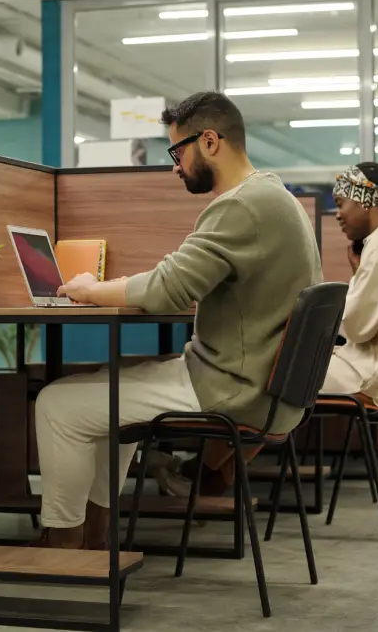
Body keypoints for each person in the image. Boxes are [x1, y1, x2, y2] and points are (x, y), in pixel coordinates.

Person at [32, 91, 323, 549]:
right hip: (263, 384)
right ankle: (95, 541)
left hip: (234, 386)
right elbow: (175, 278)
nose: (173, 165)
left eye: (177, 150)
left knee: (57, 405)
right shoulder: (275, 197)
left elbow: (169, 289)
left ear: (209, 141)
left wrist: (88, 290)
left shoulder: (243, 205)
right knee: (106, 393)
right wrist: (118, 285)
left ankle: (63, 552)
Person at [155, 161, 378, 497]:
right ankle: (216, 472)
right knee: (281, 372)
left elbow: (357, 327)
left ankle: (206, 471)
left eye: (341, 204)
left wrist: (350, 286)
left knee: (270, 374)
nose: (337, 214)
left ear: (365, 201)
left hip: (373, 376)